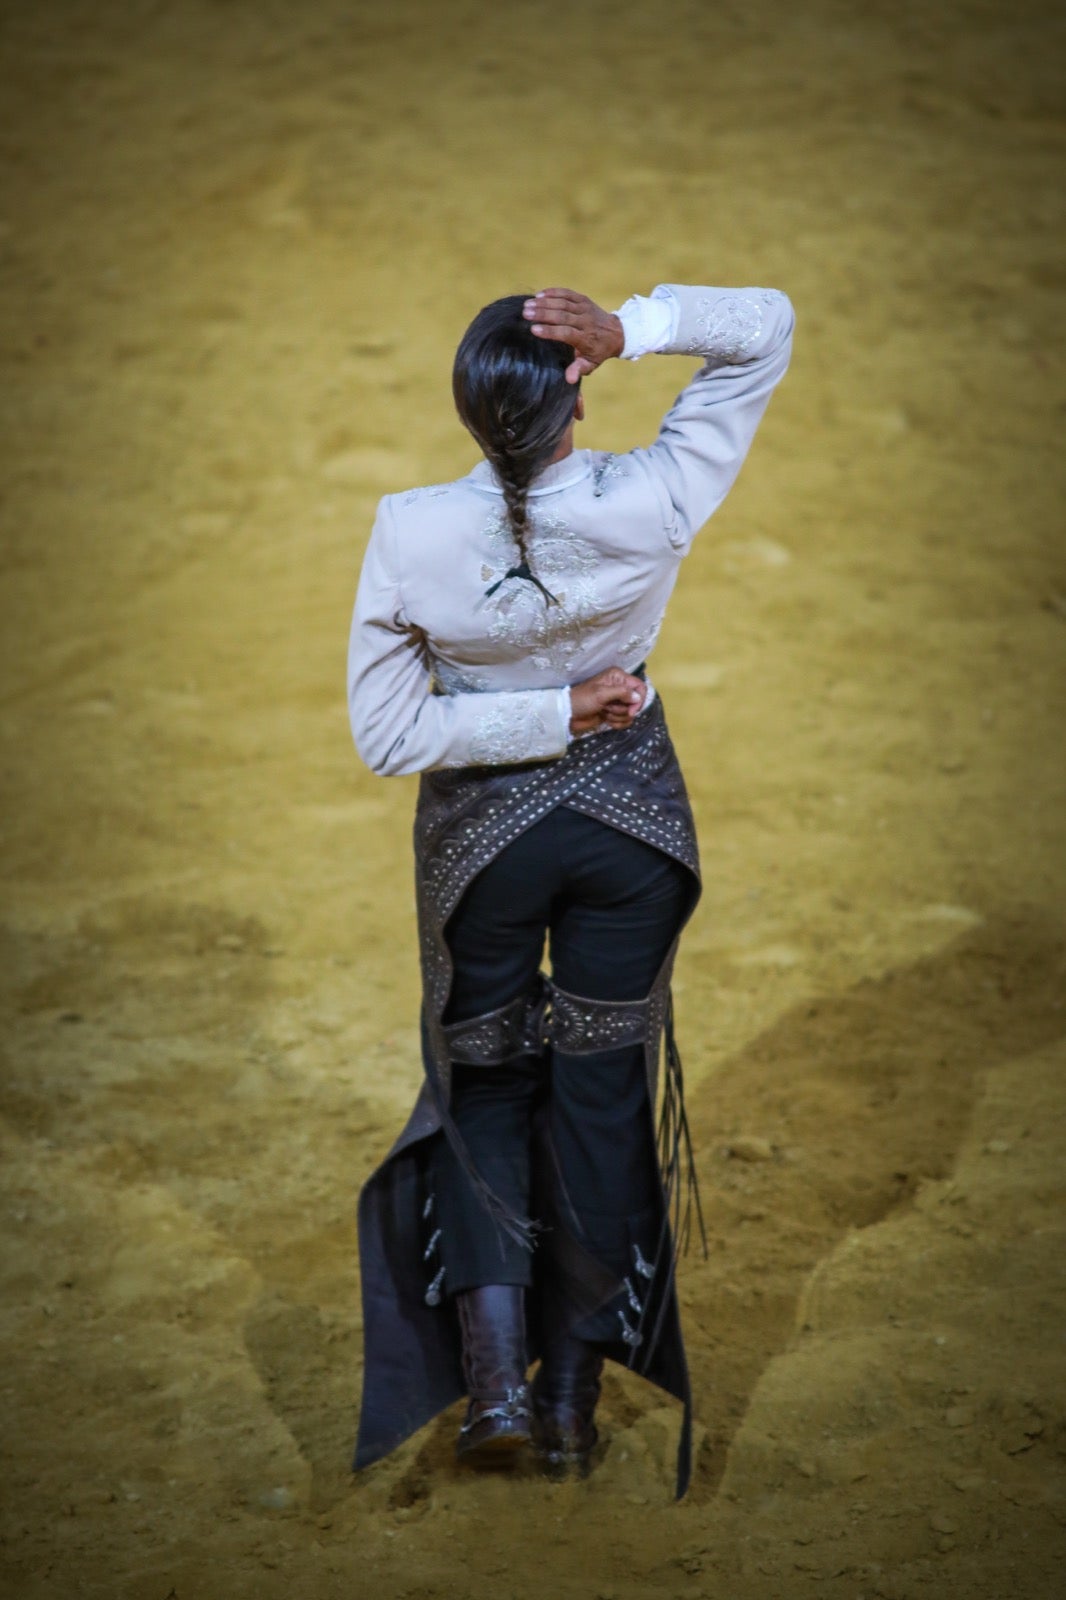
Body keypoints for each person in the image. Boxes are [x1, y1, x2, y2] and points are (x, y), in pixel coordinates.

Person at [347, 279, 794, 1497]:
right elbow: (768, 325)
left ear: (470, 411)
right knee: (601, 1100)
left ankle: (493, 1385)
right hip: (627, 832)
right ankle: (570, 1409)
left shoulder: (409, 529)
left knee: (483, 1080)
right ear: (575, 390)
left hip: (485, 848)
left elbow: (387, 736)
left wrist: (535, 712)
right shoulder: (652, 498)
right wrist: (636, 327)